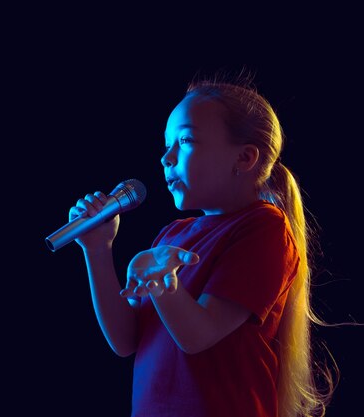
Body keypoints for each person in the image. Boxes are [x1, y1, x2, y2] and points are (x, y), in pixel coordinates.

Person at [68, 77, 335, 417]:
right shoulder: (171, 235)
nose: (167, 158)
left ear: (245, 157)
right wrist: (97, 250)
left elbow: (198, 335)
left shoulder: (264, 227)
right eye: (166, 145)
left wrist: (162, 281)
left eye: (186, 141)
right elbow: (125, 341)